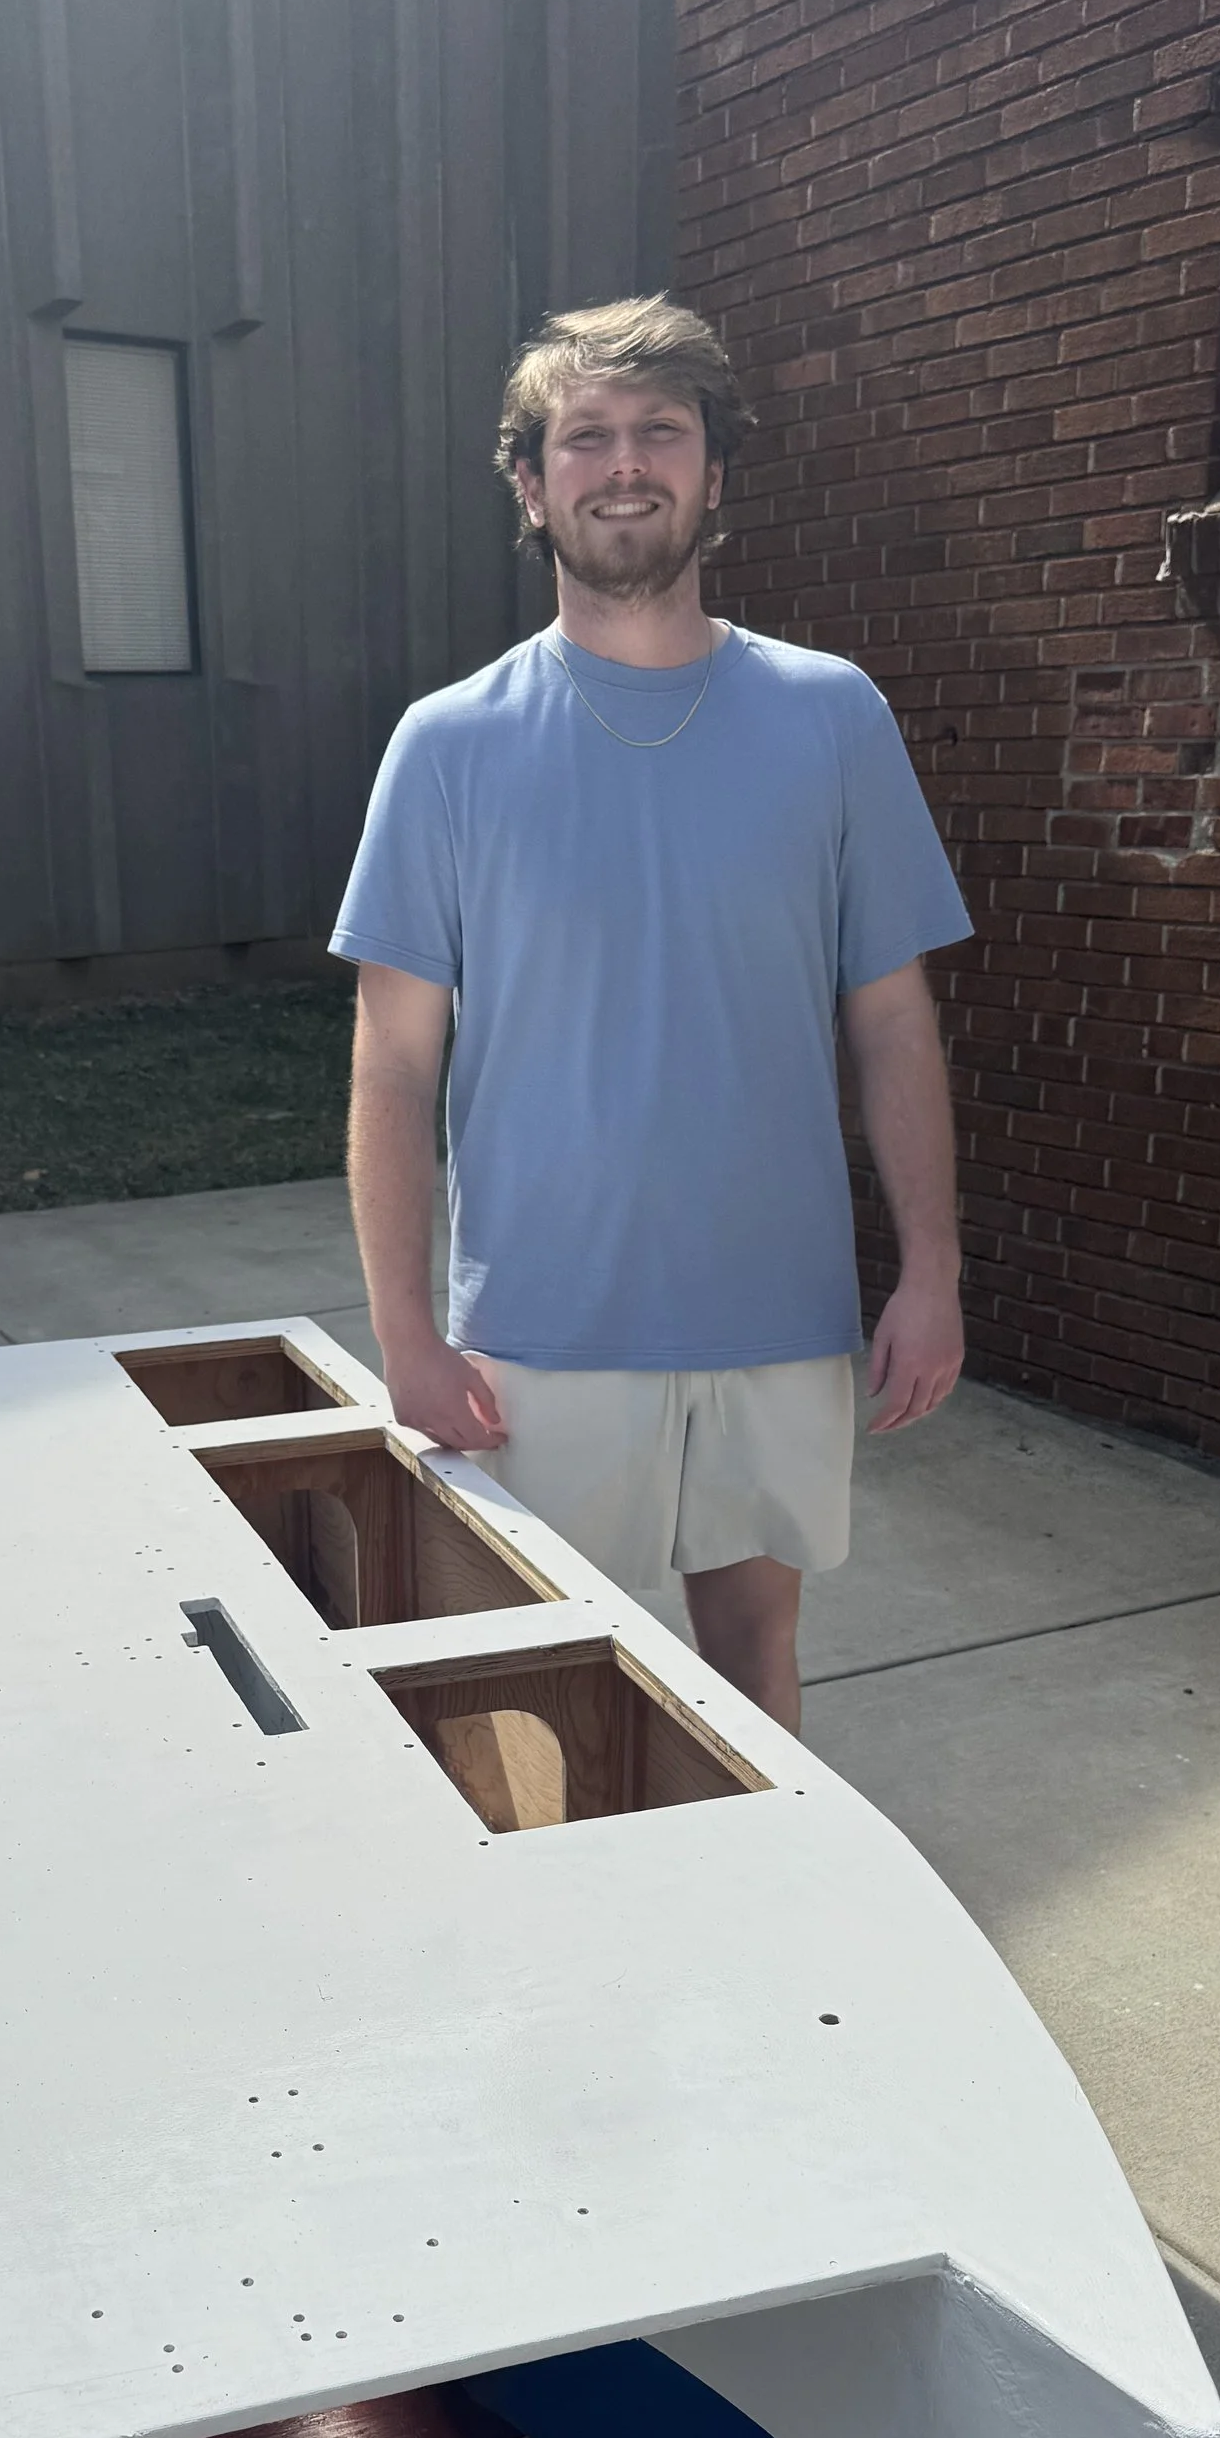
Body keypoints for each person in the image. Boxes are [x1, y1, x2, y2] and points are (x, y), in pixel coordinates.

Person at [332, 295, 971, 1734]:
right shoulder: (451, 745)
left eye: (661, 432)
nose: (627, 465)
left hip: (777, 1315)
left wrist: (928, 1267)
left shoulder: (831, 717)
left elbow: (891, 1025)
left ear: (714, 471)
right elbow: (392, 1069)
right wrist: (406, 1336)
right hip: (540, 1340)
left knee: (751, 1672)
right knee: (532, 1695)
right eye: (588, 437)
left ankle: (749, 1940)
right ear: (532, 483)